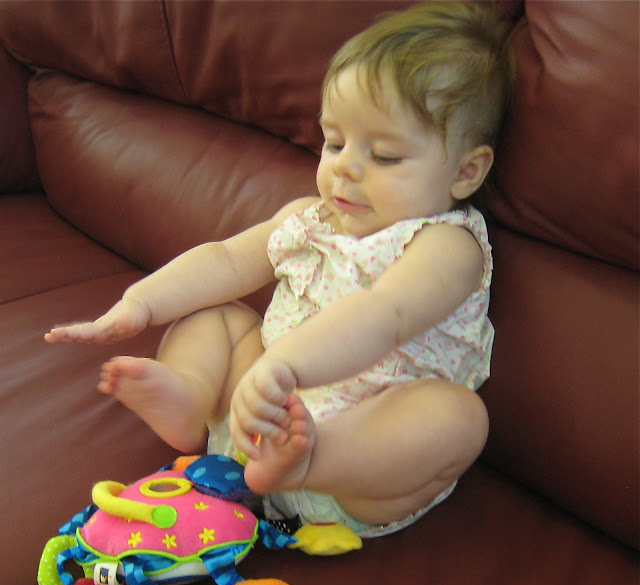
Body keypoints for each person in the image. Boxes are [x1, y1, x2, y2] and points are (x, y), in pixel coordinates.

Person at [45, 2, 514, 537]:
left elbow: (386, 313)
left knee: (457, 418)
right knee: (216, 316)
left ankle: (309, 460)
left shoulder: (448, 245)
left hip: (356, 463)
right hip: (256, 415)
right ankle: (192, 399)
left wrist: (288, 367)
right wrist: (140, 305)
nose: (345, 167)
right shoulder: (310, 218)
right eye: (335, 142)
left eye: (384, 155)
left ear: (466, 171)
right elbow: (225, 259)